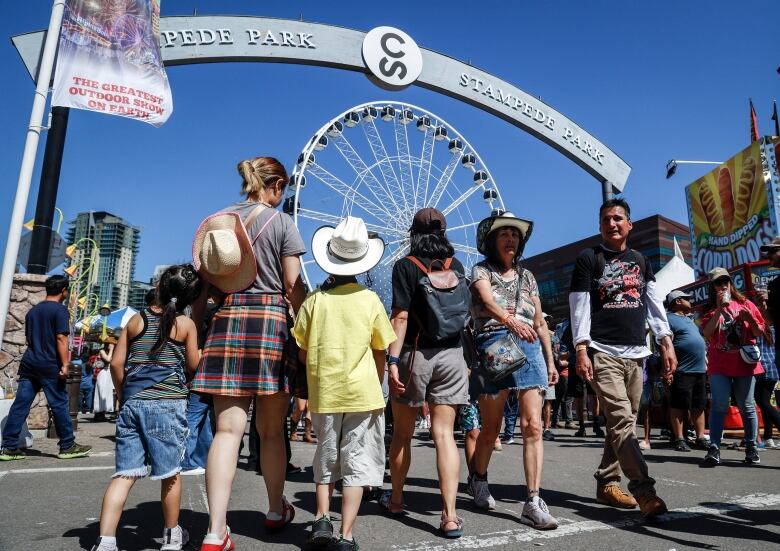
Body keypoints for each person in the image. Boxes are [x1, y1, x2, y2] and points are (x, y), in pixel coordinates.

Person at [190, 156, 306, 550]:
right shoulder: (281, 223)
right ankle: (275, 509)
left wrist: (197, 323)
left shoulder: (218, 222)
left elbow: (204, 287)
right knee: (271, 431)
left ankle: (214, 530)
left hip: (227, 320)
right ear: (275, 186)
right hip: (271, 322)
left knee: (226, 431)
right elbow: (292, 284)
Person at [293, 216, 396, 550]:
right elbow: (381, 348)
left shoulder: (314, 301)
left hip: (325, 392)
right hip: (363, 393)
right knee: (356, 464)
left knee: (325, 460)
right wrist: (377, 380)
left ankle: (322, 517)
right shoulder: (370, 301)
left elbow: (303, 349)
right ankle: (346, 534)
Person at [569, 198, 676, 518]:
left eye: (617, 218)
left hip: (637, 355)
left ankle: (606, 482)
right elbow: (579, 306)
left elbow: (654, 304)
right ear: (600, 226)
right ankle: (645, 491)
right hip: (604, 353)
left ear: (629, 224)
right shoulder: (589, 258)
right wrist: (581, 348)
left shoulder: (642, 261)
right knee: (620, 421)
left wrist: (666, 342)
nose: (612, 224)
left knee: (623, 423)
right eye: (605, 220)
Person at [90, 265, 202, 551]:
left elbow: (116, 364)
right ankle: (171, 537)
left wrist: (123, 393)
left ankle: (105, 541)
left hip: (133, 404)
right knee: (170, 474)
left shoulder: (135, 321)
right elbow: (192, 365)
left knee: (125, 474)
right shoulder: (185, 325)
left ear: (160, 285)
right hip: (168, 405)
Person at [469, 212, 559, 530]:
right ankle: (478, 477)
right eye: (504, 233)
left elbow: (539, 322)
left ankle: (533, 500)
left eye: (515, 234)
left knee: (533, 425)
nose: (511, 238)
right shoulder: (481, 270)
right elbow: (485, 300)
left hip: (531, 345)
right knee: (491, 427)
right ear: (492, 240)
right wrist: (510, 322)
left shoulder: (529, 276)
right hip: (495, 343)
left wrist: (550, 360)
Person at [385, 208, 470, 538]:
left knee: (403, 433)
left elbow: (401, 317)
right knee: (444, 435)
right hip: (452, 355)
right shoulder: (457, 266)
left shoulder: (405, 266)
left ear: (413, 233)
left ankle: (395, 499)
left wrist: (392, 362)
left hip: (415, 356)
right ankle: (449, 515)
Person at [0, 275, 91, 461]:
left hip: (29, 364)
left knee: (20, 405)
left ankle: (9, 447)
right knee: (59, 405)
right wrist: (65, 364)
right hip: (50, 365)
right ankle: (67, 445)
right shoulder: (60, 311)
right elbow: (61, 338)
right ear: (63, 291)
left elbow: (28, 339)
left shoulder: (32, 312)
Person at [700, 267, 765, 467]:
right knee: (719, 404)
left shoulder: (746, 303)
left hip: (745, 364)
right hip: (719, 364)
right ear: (712, 287)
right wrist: (719, 309)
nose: (723, 285)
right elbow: (707, 334)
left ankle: (751, 447)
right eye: (718, 283)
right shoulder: (708, 310)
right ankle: (714, 447)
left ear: (731, 282)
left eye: (725, 281)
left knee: (747, 406)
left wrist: (749, 319)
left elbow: (759, 332)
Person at [664, 290, 708, 452]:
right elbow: (663, 345)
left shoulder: (689, 320)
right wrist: (667, 369)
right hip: (682, 370)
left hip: (699, 370)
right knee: (678, 405)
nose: (690, 300)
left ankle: (700, 437)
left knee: (699, 405)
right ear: (678, 301)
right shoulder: (668, 319)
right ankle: (679, 438)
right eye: (687, 298)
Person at [93, 342, 116, 419]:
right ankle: (98, 413)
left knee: (107, 393)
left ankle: (102, 413)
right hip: (103, 373)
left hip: (109, 373)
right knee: (101, 392)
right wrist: (112, 349)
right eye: (111, 344)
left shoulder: (112, 351)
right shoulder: (102, 351)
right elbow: (108, 359)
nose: (112, 345)